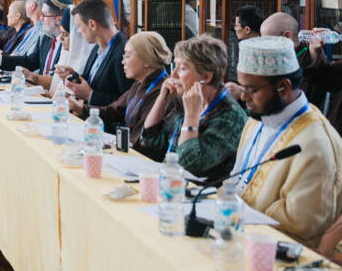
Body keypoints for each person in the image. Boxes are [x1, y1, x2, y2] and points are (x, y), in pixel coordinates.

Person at [232, 36, 342, 248]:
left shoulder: (316, 144)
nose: (243, 97)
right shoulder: (257, 119)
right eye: (241, 87)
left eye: (251, 90)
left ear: (283, 86)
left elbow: (299, 230)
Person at [136, 35, 245, 180]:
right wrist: (162, 100)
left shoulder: (230, 116)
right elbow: (148, 141)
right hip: (173, 185)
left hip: (205, 192)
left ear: (206, 77)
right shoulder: (190, 99)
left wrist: (191, 116)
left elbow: (187, 166)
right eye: (175, 66)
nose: (173, 74)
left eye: (182, 68)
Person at [69, 31, 172, 145]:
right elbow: (114, 113)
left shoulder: (162, 93)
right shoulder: (139, 83)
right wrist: (77, 106)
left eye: (127, 56)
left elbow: (141, 141)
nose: (123, 62)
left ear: (146, 60)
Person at [60, 0, 132, 107]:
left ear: (92, 25)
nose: (78, 31)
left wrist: (90, 95)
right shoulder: (96, 48)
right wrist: (74, 77)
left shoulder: (124, 52)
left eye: (79, 26)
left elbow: (129, 103)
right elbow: (92, 83)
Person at [0, 0, 71, 77]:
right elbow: (29, 62)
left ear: (59, 20)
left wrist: (34, 79)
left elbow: (56, 80)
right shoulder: (46, 38)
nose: (41, 18)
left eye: (44, 15)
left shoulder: (68, 44)